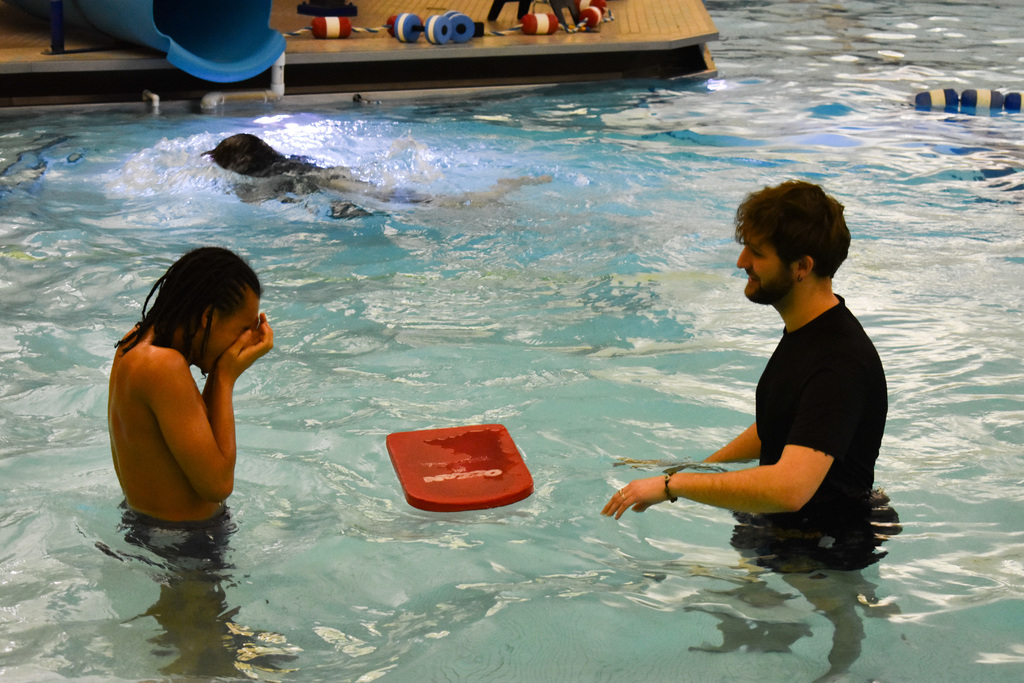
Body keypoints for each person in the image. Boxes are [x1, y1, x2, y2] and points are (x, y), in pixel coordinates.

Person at [602, 180, 892, 545]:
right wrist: (698, 468)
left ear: (802, 266)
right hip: (788, 533)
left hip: (826, 551)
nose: (742, 263)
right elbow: (786, 424)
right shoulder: (808, 333)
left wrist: (671, 486)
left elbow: (790, 488)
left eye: (756, 252)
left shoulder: (839, 363)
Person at [108, 247, 274, 524]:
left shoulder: (133, 342)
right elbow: (217, 485)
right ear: (208, 317)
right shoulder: (163, 365)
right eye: (242, 329)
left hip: (145, 528)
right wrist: (226, 376)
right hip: (183, 548)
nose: (244, 340)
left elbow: (200, 448)